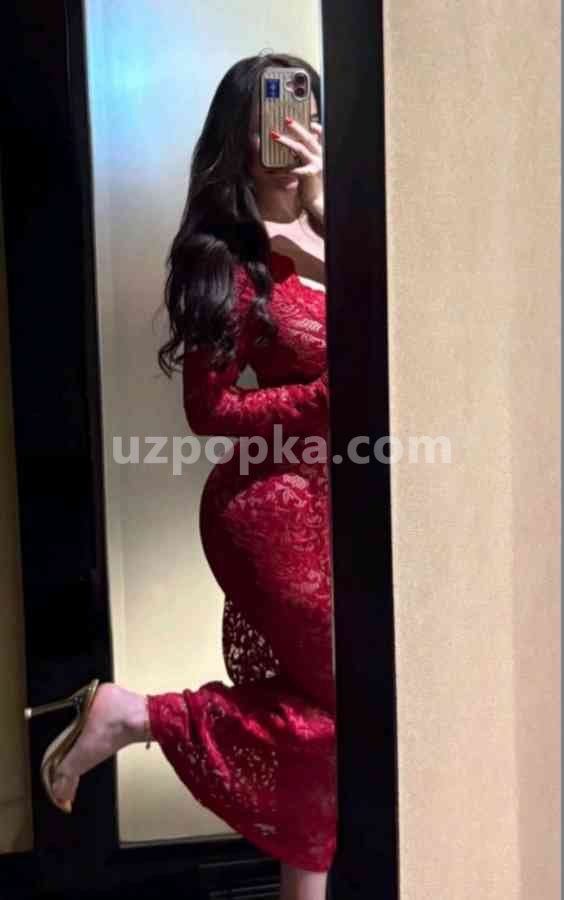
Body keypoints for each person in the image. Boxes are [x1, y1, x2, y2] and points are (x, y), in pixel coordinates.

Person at [25, 53, 335, 900]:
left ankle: (128, 715)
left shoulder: (344, 232)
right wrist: (327, 397)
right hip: (270, 511)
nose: (291, 131)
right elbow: (210, 411)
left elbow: (400, 329)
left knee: (322, 719)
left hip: (347, 507)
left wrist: (326, 218)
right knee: (349, 702)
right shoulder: (220, 257)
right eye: (271, 115)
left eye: (306, 109)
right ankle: (141, 716)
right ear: (238, 134)